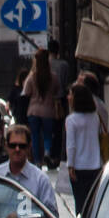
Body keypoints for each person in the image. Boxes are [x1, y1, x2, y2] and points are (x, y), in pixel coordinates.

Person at [65, 83, 103, 215]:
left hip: (79, 167)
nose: (68, 97)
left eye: (70, 94)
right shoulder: (95, 117)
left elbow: (71, 145)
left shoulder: (71, 120)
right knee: (92, 201)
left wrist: (70, 165)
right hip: (95, 164)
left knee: (79, 202)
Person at [21, 48, 60, 168]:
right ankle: (47, 152)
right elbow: (57, 91)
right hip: (48, 111)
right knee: (48, 134)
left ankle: (37, 161)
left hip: (33, 110)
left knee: (35, 136)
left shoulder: (32, 77)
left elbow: (25, 93)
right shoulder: (53, 77)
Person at [48, 39, 72, 169]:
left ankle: (48, 153)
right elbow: (66, 83)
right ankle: (57, 155)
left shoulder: (44, 64)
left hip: (46, 101)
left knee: (47, 130)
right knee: (59, 130)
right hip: (60, 100)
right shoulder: (64, 65)